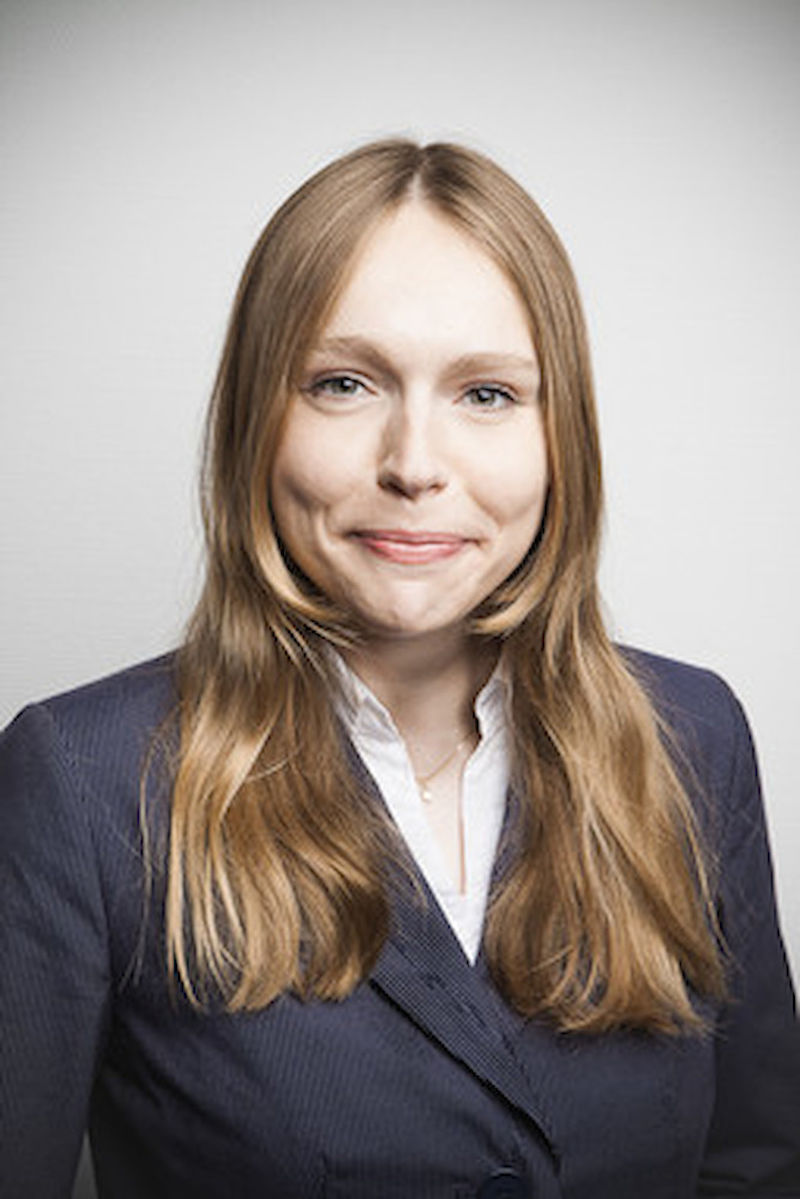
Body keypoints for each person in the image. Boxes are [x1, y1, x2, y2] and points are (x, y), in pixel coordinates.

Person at [1, 139, 798, 1199]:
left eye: (486, 393)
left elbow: (755, 1167)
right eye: (343, 383)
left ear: (561, 435)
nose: (415, 464)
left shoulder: (693, 734)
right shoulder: (82, 778)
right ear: (256, 422)